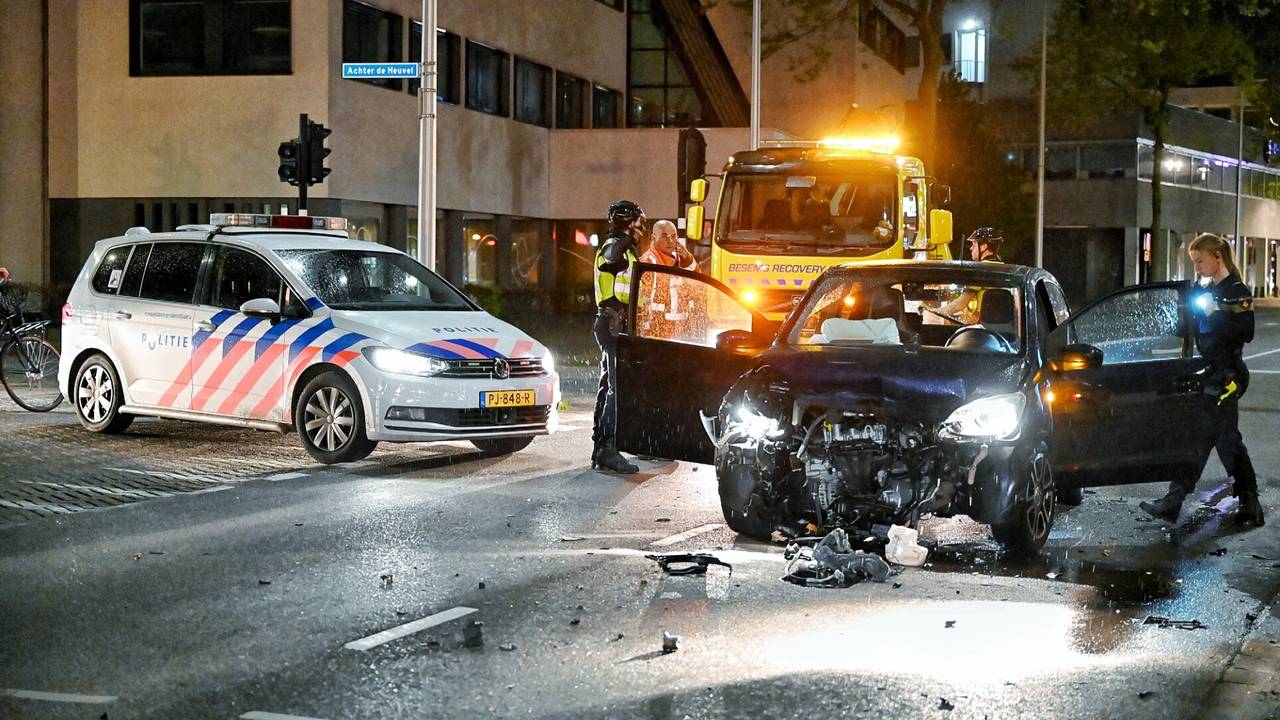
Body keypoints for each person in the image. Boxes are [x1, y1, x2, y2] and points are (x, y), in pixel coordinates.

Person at [1141, 234, 1264, 526]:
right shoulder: (1204, 288)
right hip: (1207, 374)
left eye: (1200, 260)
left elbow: (1245, 331)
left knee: (1223, 442)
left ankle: (1246, 503)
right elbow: (1189, 329)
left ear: (1217, 256)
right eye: (1194, 262)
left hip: (1226, 376)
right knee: (1205, 438)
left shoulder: (1236, 290)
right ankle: (1181, 500)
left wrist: (1213, 312)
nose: (1196, 267)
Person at [590, 200, 645, 474]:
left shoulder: (625, 248)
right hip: (613, 322)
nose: (641, 229)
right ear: (628, 223)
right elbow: (611, 259)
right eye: (638, 223)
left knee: (608, 386)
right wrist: (623, 240)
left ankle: (600, 448)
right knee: (617, 389)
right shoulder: (615, 246)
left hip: (613, 323)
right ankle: (609, 449)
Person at [929, 227, 1005, 323]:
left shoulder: (980, 269)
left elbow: (960, 305)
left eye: (974, 244)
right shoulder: (1003, 268)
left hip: (983, 328)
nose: (971, 248)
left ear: (983, 246)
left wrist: (935, 312)